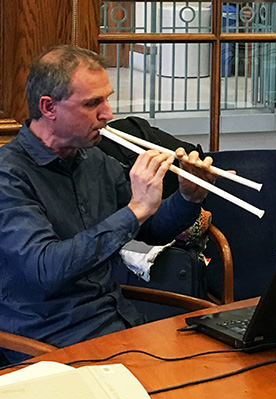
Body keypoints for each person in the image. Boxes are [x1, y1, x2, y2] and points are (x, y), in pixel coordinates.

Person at [0, 45, 216, 362]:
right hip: (49, 341)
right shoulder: (9, 175)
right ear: (48, 107)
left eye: (107, 98)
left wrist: (188, 195)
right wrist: (135, 211)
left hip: (117, 321)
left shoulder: (92, 158)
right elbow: (46, 268)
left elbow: (152, 231)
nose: (108, 114)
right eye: (92, 103)